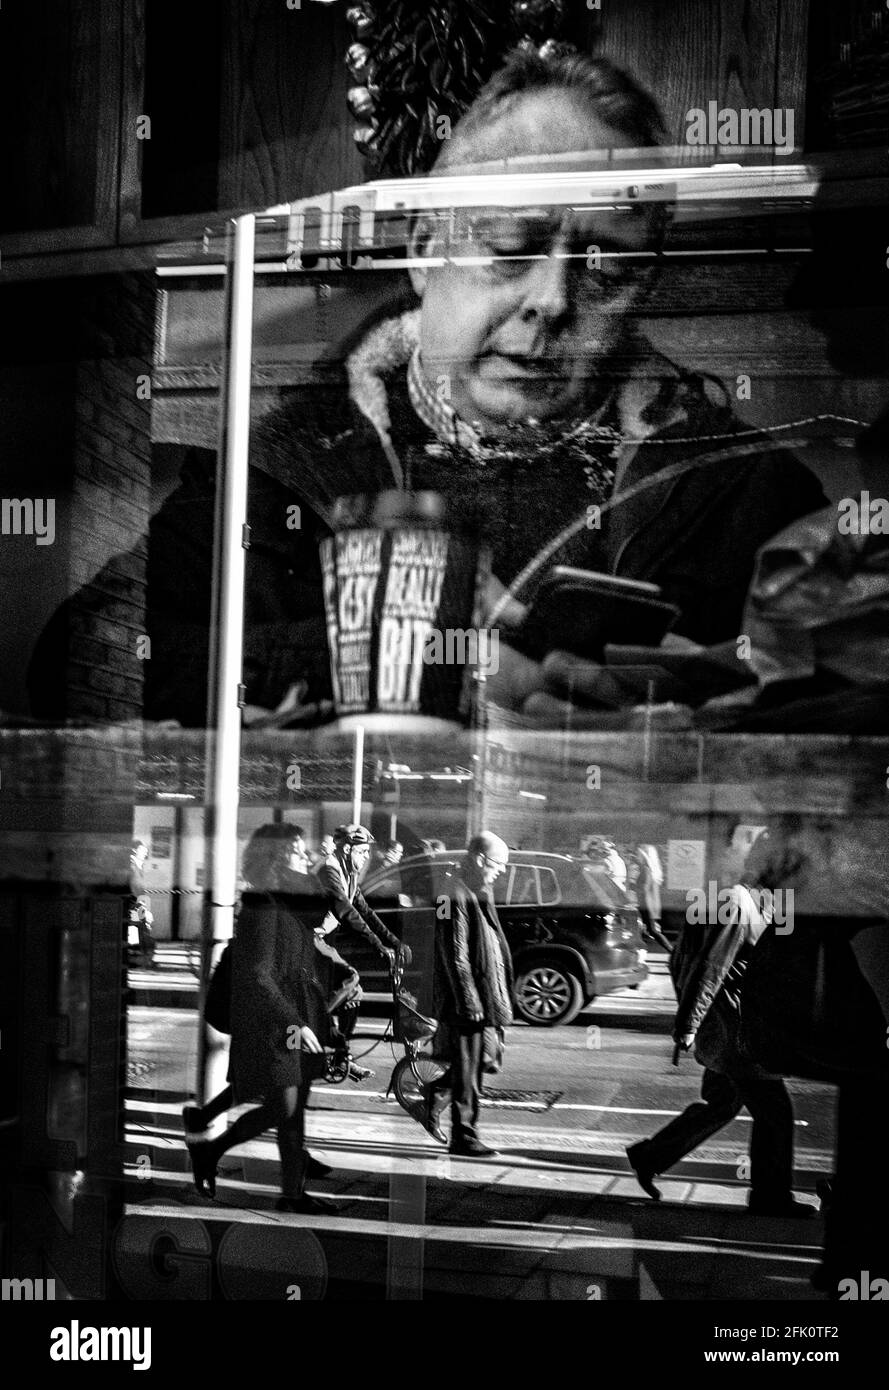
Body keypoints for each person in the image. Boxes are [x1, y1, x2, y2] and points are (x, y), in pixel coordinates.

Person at [28, 47, 827, 732]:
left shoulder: (739, 488)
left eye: (604, 267)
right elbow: (84, 654)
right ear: (422, 248)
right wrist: (410, 655)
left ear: (644, 286)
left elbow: (845, 710)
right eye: (510, 245)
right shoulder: (283, 468)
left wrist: (685, 718)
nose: (551, 299)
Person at [625, 832, 813, 1218]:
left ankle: (650, 1155)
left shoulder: (754, 900)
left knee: (722, 1103)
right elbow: (711, 967)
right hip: (734, 1031)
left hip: (734, 1026)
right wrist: (688, 1025)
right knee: (775, 1112)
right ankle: (770, 1196)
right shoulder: (738, 903)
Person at [183, 824, 349, 1198]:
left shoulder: (292, 899)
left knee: (291, 1107)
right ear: (273, 856)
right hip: (271, 1022)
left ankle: (292, 1192)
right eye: (296, 850)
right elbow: (258, 974)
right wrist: (296, 1024)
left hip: (294, 1015)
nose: (305, 856)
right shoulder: (263, 903)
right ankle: (211, 1151)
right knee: (284, 1109)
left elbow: (326, 926)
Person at [421, 832, 513, 1157]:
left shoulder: (476, 890)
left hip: (482, 997)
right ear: (478, 859)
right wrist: (468, 999)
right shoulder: (452, 894)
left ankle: (435, 1098)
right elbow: (454, 952)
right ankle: (465, 1136)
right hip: (466, 1001)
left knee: (481, 1060)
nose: (501, 871)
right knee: (469, 1071)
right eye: (497, 864)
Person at [314, 823, 412, 1081]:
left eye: (368, 852)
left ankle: (340, 1058)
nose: (367, 856)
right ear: (347, 849)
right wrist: (378, 947)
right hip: (306, 938)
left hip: (322, 940)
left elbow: (365, 911)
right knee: (350, 978)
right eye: (362, 851)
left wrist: (394, 942)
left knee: (355, 993)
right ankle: (310, 1025)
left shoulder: (349, 873)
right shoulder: (329, 870)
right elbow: (345, 912)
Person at [128, 839, 156, 967]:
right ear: (134, 851)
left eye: (146, 851)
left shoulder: (139, 866)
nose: (145, 853)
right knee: (137, 931)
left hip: (139, 904)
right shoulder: (132, 867)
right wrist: (144, 910)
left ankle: (140, 959)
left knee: (140, 930)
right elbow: (135, 890)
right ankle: (137, 959)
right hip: (135, 905)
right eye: (142, 850)